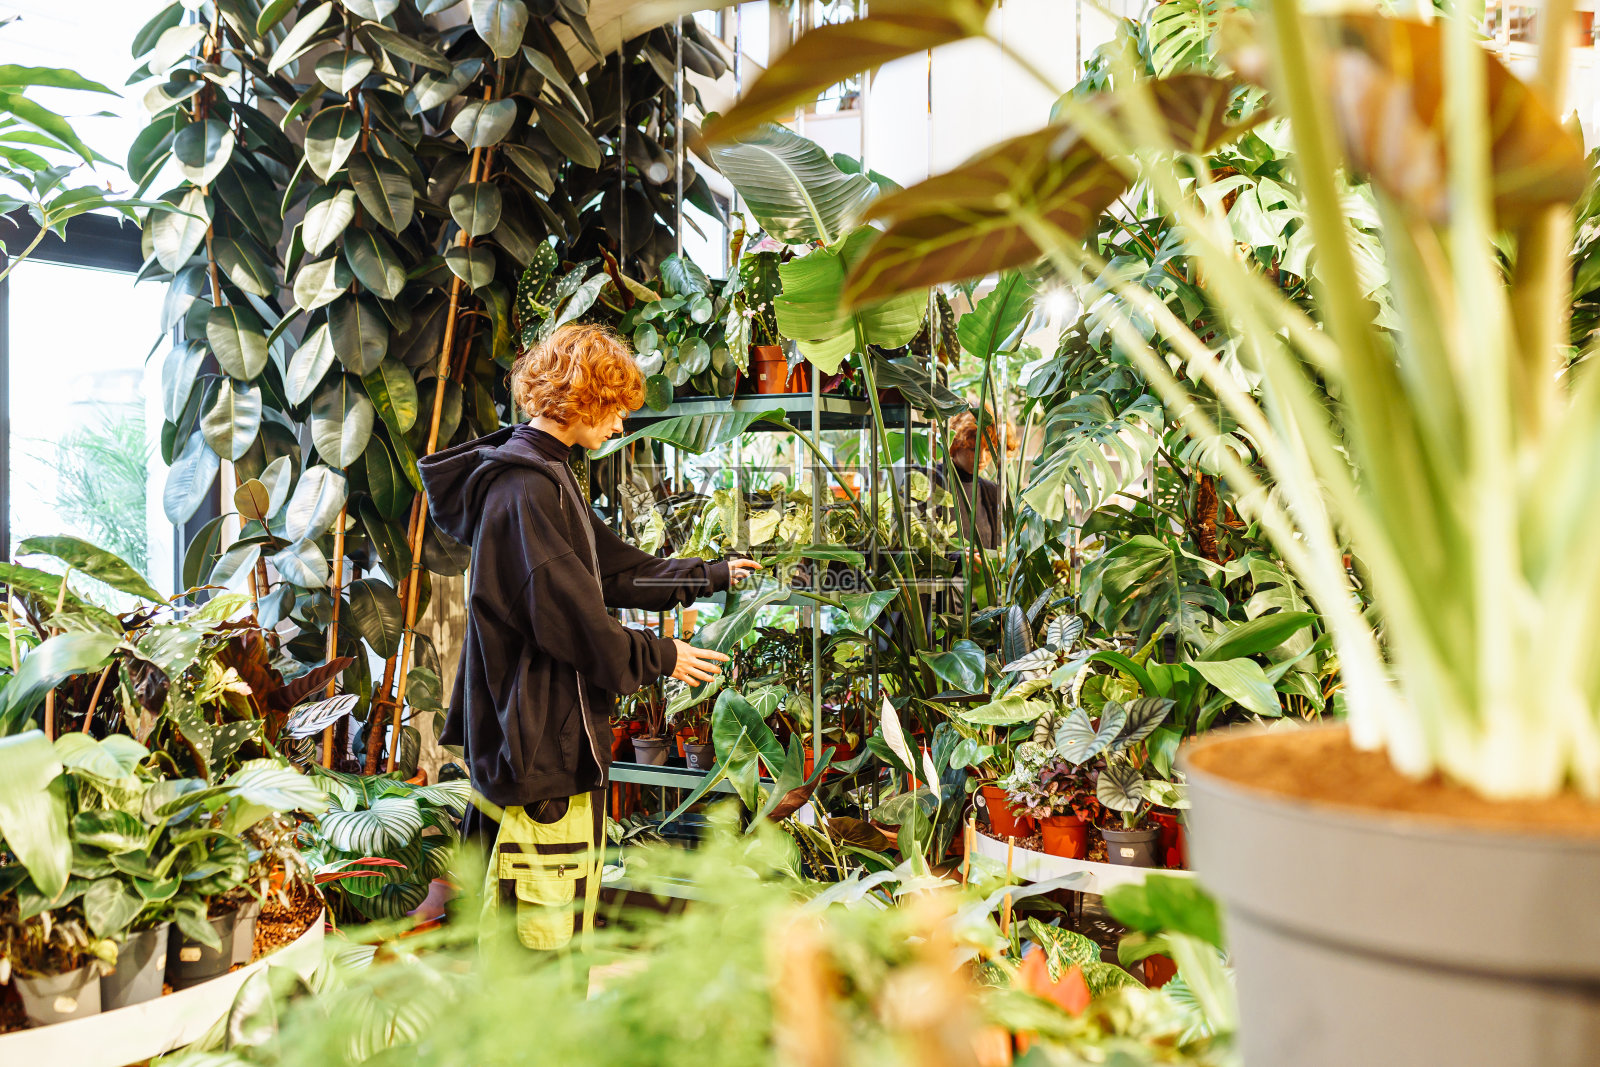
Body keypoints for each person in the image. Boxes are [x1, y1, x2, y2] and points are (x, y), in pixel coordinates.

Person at [418, 322, 759, 950]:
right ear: (578, 398)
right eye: (613, 409)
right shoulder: (524, 489)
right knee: (538, 933)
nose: (620, 427)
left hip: (547, 738)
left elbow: (615, 572)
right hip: (538, 747)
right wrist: (662, 655)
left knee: (557, 916)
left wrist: (708, 574)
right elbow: (573, 620)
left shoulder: (548, 474)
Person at [942, 408, 1018, 550]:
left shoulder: (991, 492)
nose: (982, 458)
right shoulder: (931, 482)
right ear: (956, 444)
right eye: (973, 449)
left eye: (989, 449)